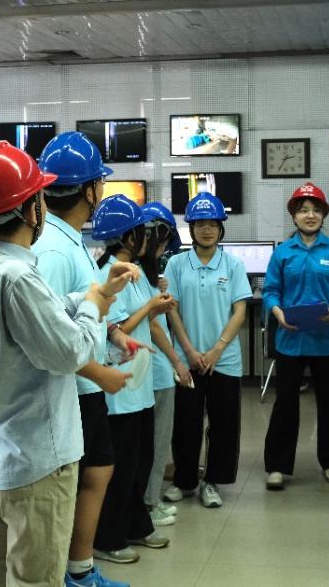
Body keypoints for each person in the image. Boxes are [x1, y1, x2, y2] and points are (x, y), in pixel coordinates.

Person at [0, 141, 139, 587]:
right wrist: (94, 306)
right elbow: (71, 350)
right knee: (37, 579)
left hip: (1, 456)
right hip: (38, 460)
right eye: (39, 196)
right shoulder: (18, 276)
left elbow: (45, 316)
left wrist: (98, 294)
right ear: (30, 209)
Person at [31, 132, 137, 587]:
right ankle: (70, 573)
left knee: (97, 470)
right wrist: (100, 373)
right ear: (91, 190)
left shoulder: (68, 239)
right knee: (77, 481)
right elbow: (51, 337)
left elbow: (76, 307)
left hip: (84, 384)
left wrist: (110, 325)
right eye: (100, 183)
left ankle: (80, 568)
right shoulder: (55, 250)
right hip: (73, 387)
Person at [92, 194, 173, 564]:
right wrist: (151, 307)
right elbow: (118, 329)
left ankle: (136, 525)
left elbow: (141, 319)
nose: (148, 238)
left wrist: (155, 305)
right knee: (122, 467)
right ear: (127, 237)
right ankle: (109, 538)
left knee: (140, 460)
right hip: (119, 389)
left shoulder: (135, 269)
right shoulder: (108, 274)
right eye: (142, 231)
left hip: (139, 387)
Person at [263, 182, 329, 490]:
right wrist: (277, 312)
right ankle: (277, 467)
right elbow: (270, 291)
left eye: (316, 210)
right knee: (285, 405)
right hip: (289, 342)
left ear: (323, 215)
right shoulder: (282, 253)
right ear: (294, 215)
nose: (310, 215)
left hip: (326, 342)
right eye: (303, 210)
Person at [164, 192, 252, 508]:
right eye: (200, 224)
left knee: (224, 424)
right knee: (185, 423)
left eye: (212, 224)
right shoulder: (176, 264)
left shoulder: (232, 264)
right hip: (186, 360)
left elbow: (239, 311)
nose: (206, 230)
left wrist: (216, 350)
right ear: (190, 228)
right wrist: (188, 351)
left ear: (220, 228)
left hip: (224, 360)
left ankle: (212, 481)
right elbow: (171, 309)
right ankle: (185, 480)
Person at [138, 202, 191, 526]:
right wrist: (177, 361)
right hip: (156, 371)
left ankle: (145, 500)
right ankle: (150, 502)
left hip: (143, 372)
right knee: (156, 443)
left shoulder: (141, 274)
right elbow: (156, 326)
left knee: (146, 443)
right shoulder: (141, 276)